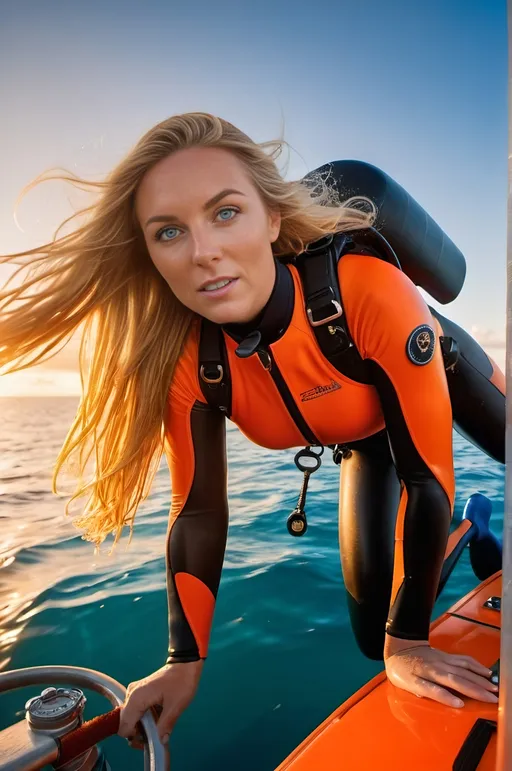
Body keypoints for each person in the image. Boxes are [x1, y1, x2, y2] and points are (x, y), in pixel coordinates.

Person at [0, 113, 504, 749]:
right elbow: (199, 512)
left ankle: (453, 534)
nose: (202, 250)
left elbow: (426, 474)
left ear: (272, 219)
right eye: (169, 231)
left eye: (226, 213)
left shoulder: (369, 292)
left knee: (406, 625)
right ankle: (476, 533)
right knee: (372, 631)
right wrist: (184, 664)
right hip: (363, 440)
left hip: (440, 373)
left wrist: (411, 642)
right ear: (151, 254)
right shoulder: (190, 361)